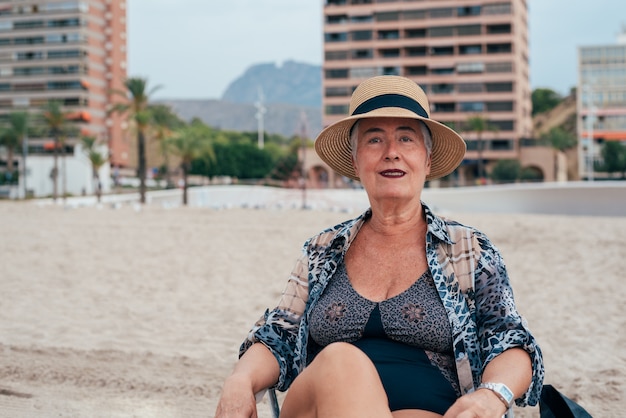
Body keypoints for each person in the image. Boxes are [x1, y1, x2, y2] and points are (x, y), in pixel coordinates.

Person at [215, 75, 544, 418]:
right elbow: (277, 336)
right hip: (320, 407)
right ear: (356, 162)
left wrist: (492, 395)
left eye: (406, 138)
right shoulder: (322, 250)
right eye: (375, 140)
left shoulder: (469, 250)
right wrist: (239, 379)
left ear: (427, 161)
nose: (392, 153)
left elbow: (511, 342)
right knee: (342, 361)